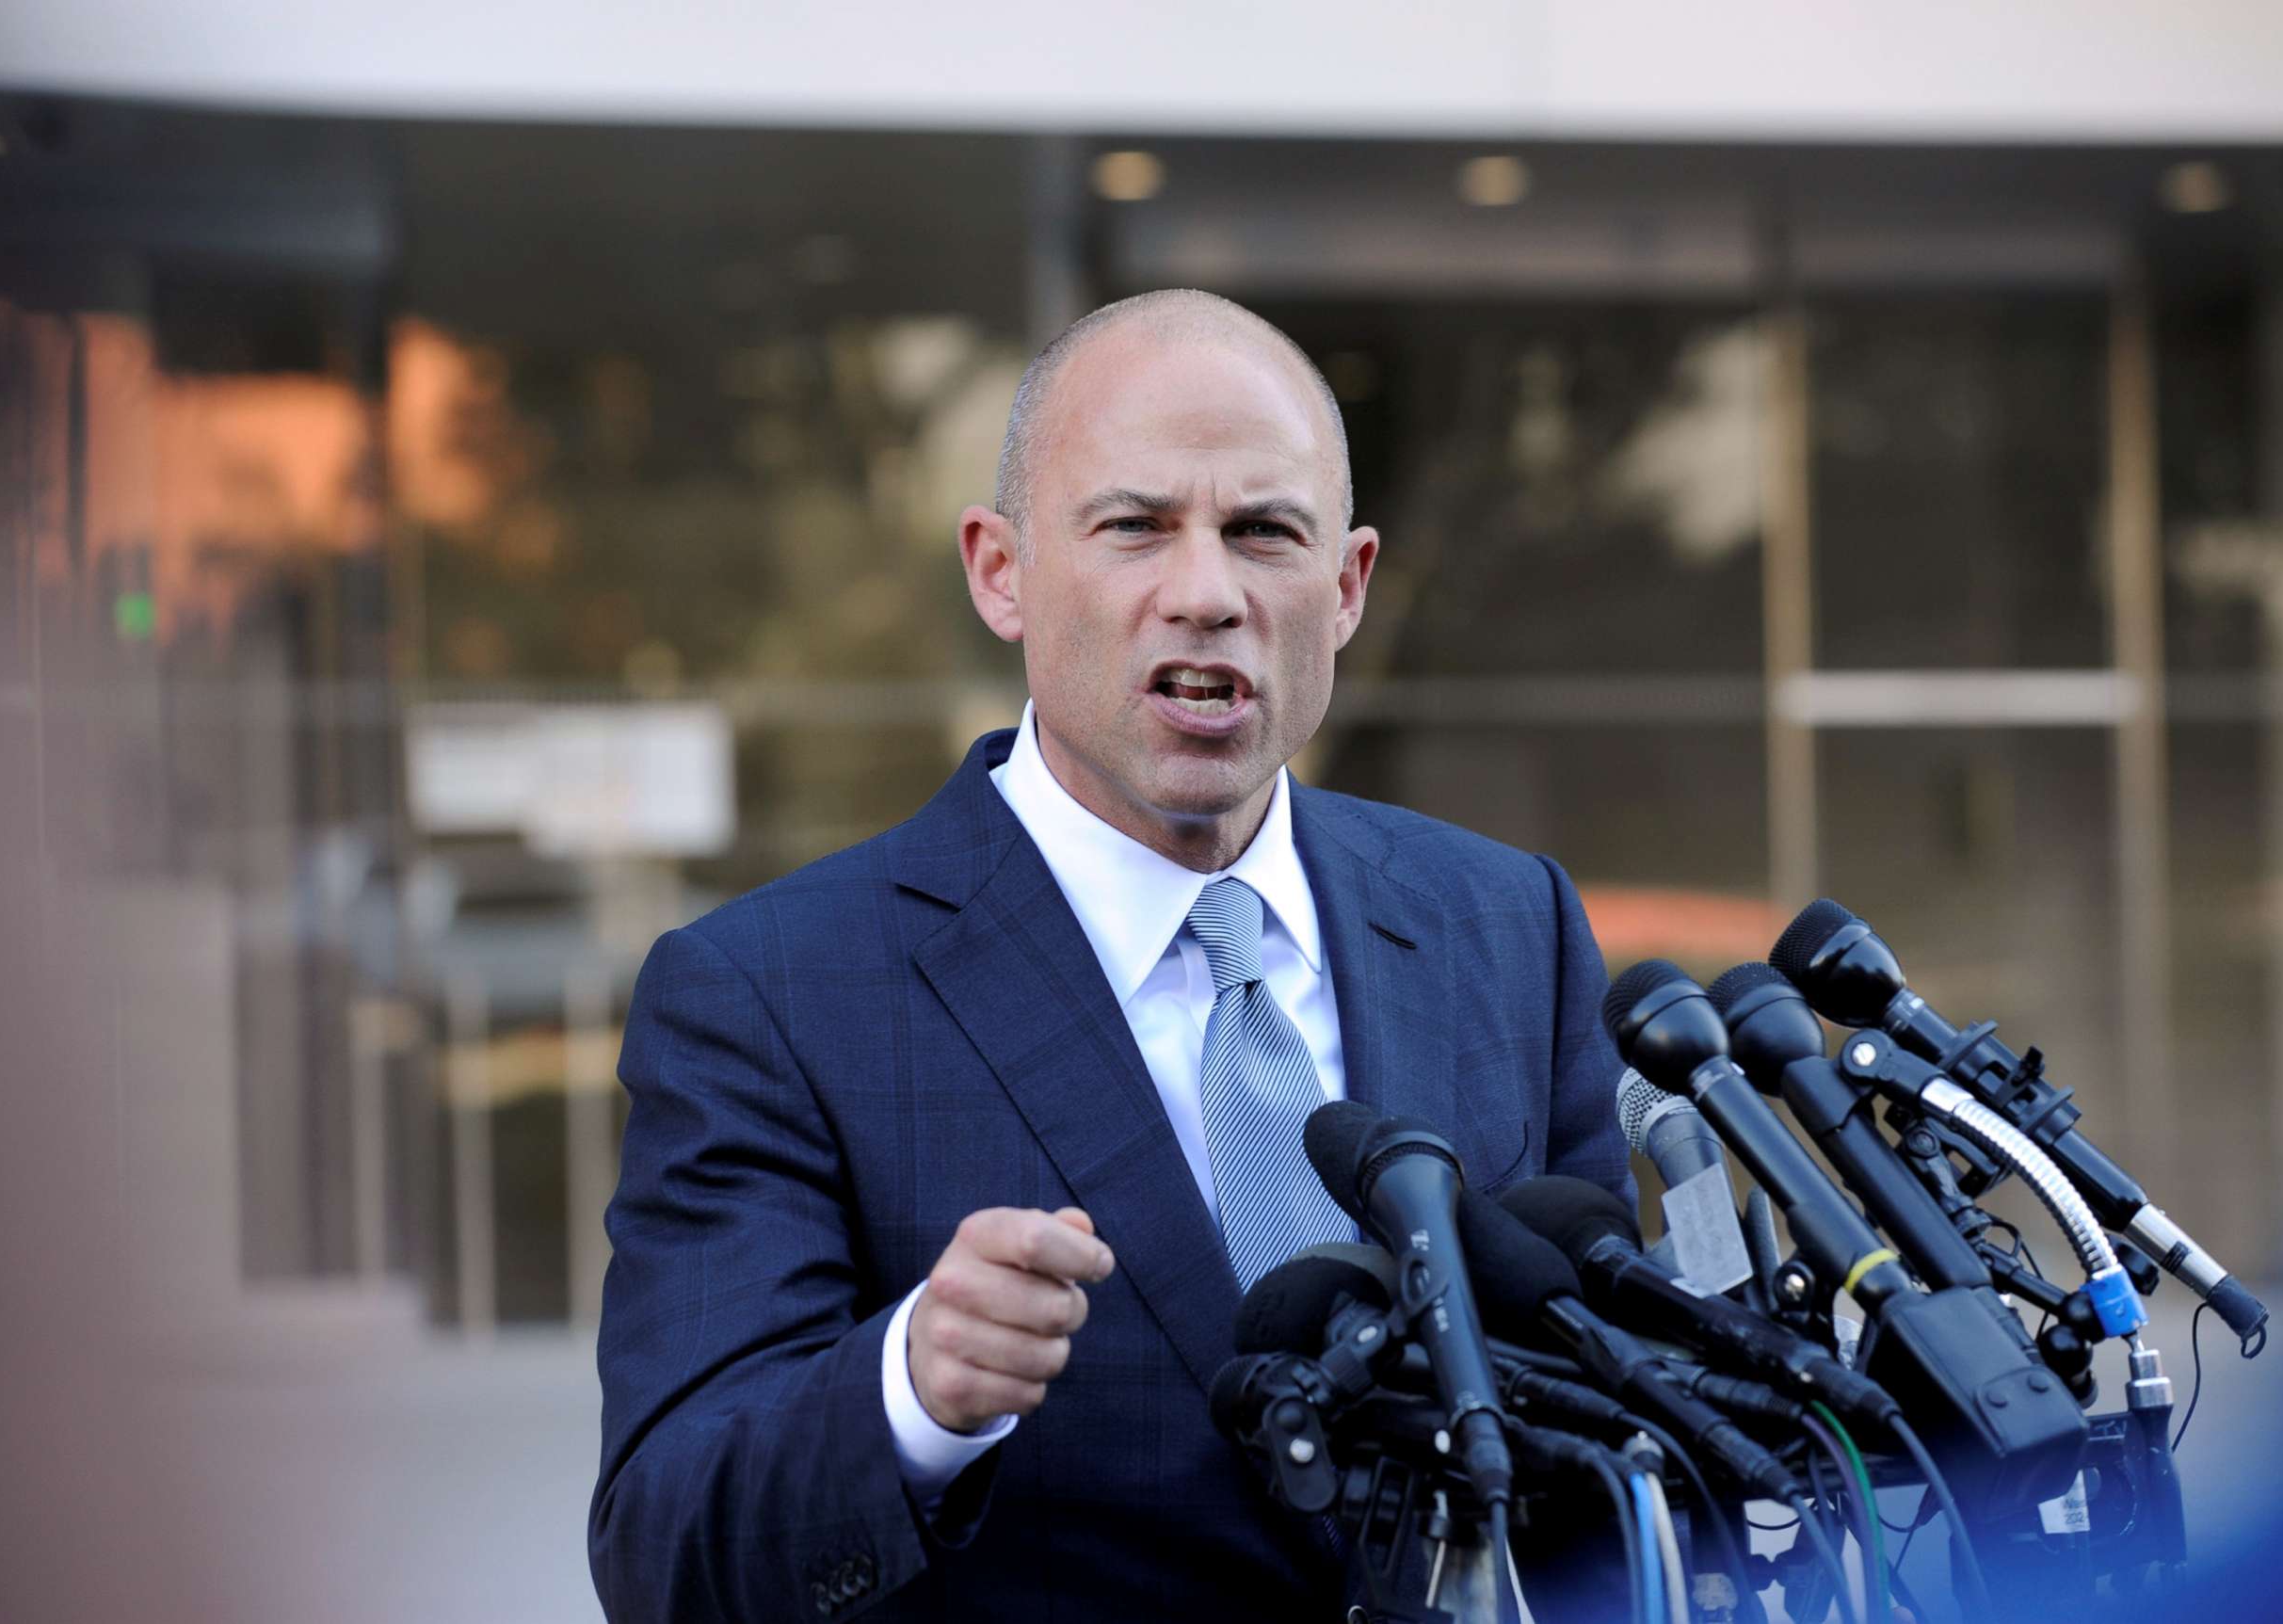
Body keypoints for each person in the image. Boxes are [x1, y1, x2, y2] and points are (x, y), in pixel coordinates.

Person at [589, 289, 1631, 1622]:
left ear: (1349, 585)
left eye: (1264, 531)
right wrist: (909, 1391)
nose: (1206, 594)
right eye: (1134, 526)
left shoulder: (1507, 923)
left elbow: (1618, 1433)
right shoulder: (772, 994)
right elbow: (666, 1552)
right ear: (1000, 570)